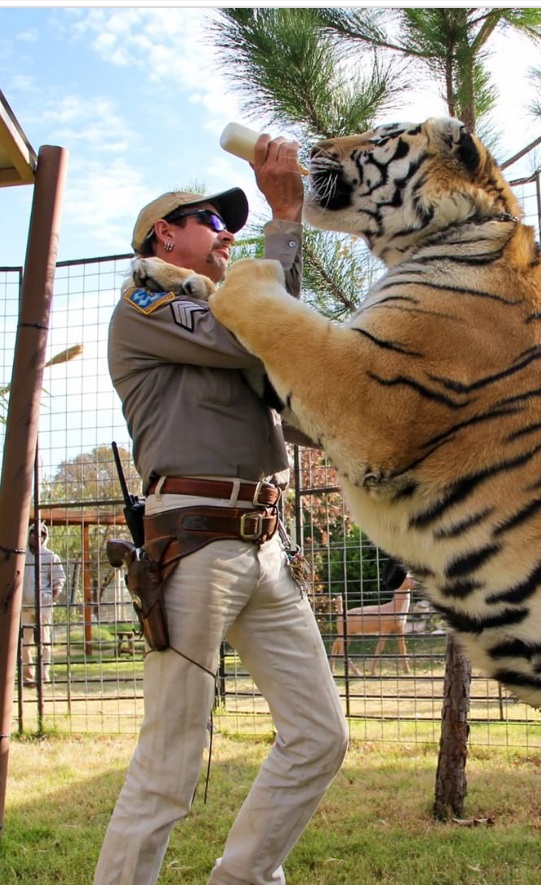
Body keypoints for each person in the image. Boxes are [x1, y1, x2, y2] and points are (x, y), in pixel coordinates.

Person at [94, 134, 349, 885]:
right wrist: (285, 217)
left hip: (266, 543)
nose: (226, 231)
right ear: (162, 235)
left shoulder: (226, 319)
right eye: (209, 218)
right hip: (195, 540)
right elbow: (263, 333)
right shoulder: (149, 299)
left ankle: (240, 877)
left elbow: (292, 376)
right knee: (170, 760)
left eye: (230, 221)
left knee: (319, 736)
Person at [20, 521, 66, 687]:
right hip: (24, 605)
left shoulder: (50, 556)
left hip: (44, 606)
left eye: (41, 534)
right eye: (34, 533)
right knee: (24, 644)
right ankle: (28, 678)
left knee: (45, 642)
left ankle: (43, 677)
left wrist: (52, 597)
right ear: (29, 534)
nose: (36, 536)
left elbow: (59, 579)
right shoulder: (21, 554)